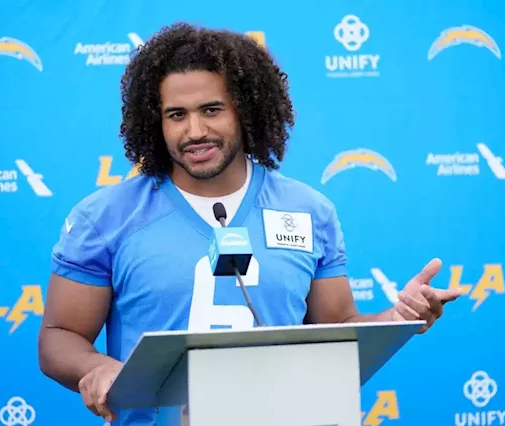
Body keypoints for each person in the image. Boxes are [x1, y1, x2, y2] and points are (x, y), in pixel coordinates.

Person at [37, 22, 464, 425]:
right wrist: (95, 369)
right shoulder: (106, 217)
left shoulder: (309, 210)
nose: (195, 131)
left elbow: (334, 330)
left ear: (245, 110)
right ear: (155, 120)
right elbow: (59, 336)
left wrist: (397, 318)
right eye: (176, 115)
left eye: (211, 109)